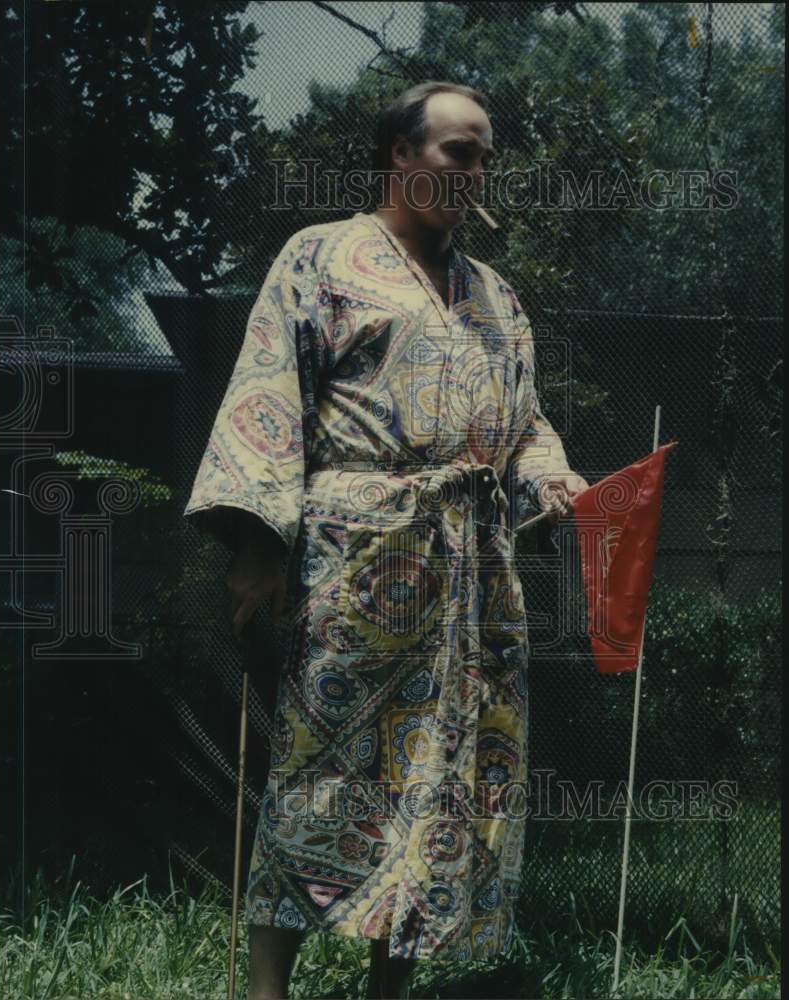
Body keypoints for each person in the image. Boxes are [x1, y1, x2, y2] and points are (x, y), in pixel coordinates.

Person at [184, 80, 588, 1000]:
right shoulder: (321, 257)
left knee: (442, 780)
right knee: (318, 771)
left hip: (470, 578)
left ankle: (388, 991)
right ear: (400, 156)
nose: (474, 169)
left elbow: (523, 425)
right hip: (356, 561)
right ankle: (265, 989)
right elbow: (265, 398)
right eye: (456, 150)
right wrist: (256, 548)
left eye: (484, 154)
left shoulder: (493, 295)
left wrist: (552, 476)